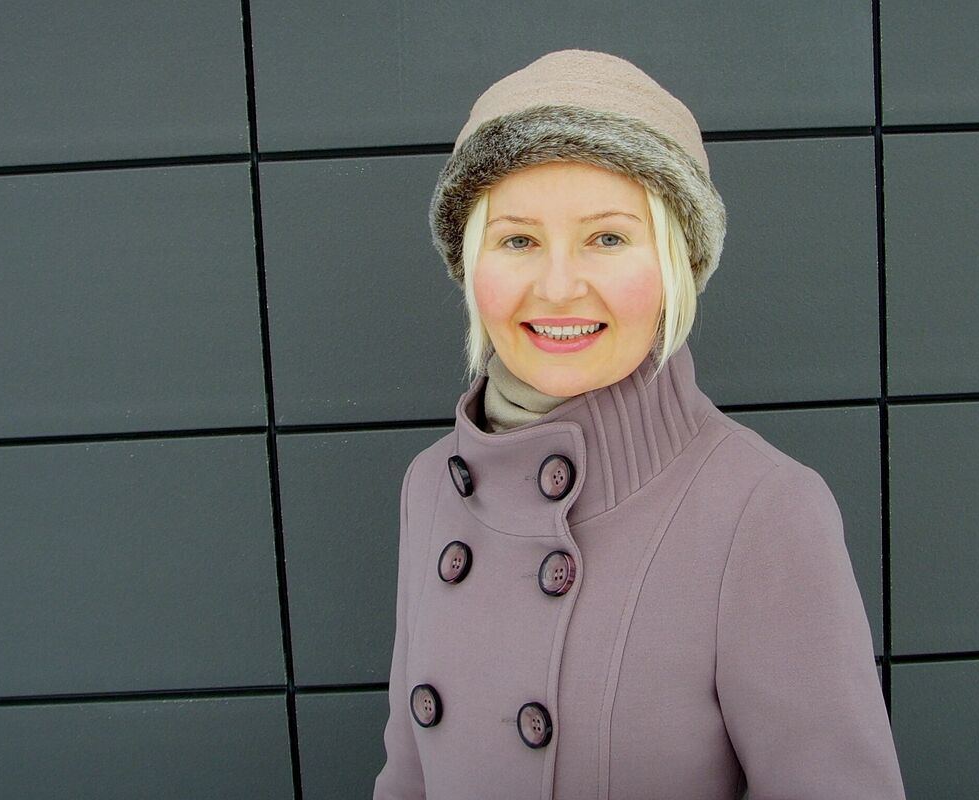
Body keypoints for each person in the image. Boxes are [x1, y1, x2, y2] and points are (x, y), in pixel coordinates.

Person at [373, 49, 905, 799]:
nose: (559, 287)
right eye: (518, 239)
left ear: (675, 264)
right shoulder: (430, 486)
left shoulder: (763, 510)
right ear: (472, 263)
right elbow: (406, 776)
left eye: (608, 238)